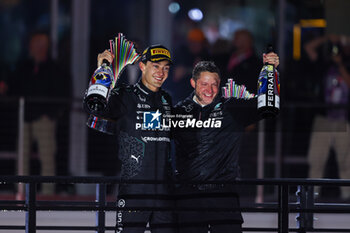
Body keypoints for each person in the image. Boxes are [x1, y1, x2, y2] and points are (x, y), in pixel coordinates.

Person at [173, 53, 279, 233]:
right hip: (188, 196)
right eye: (204, 84)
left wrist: (271, 71)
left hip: (224, 196)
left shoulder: (232, 108)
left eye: (214, 84)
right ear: (193, 83)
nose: (210, 90)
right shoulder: (178, 111)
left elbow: (269, 106)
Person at [84, 44, 176, 233]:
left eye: (166, 67)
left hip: (165, 192)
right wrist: (102, 69)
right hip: (134, 192)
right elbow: (95, 107)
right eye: (156, 66)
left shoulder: (167, 98)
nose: (161, 72)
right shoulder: (125, 95)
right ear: (142, 66)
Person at [11, 30, 67, 195]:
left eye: (43, 44)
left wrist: (51, 114)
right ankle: (21, 191)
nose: (40, 48)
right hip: (25, 116)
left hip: (44, 118)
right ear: (30, 46)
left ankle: (48, 193)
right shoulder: (24, 67)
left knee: (47, 156)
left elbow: (61, 92)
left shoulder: (54, 69)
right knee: (22, 157)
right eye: (36, 44)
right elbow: (14, 87)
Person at [304, 34, 350, 200]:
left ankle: (347, 197)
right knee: (316, 160)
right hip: (324, 117)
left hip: (343, 118)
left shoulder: (346, 63)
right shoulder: (324, 64)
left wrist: (341, 64)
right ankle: (312, 197)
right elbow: (308, 47)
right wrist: (328, 38)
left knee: (346, 161)